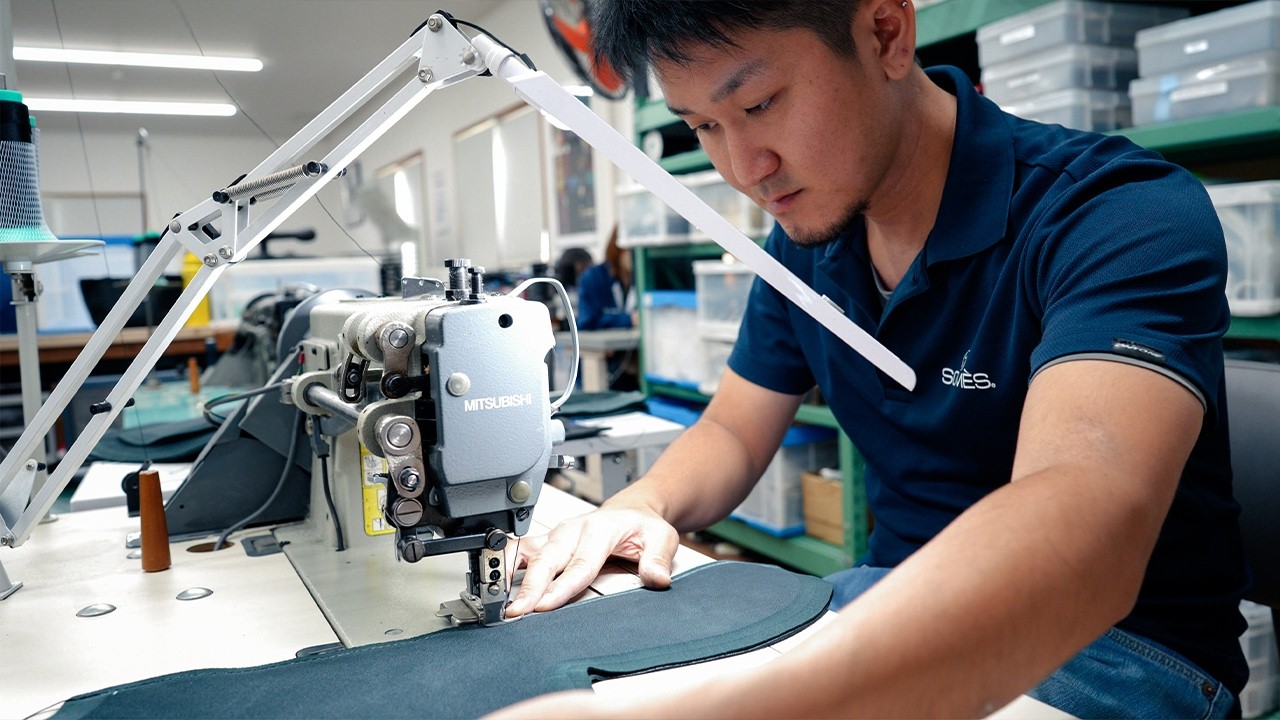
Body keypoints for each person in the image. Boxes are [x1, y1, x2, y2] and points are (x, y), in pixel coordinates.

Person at [495, 1, 1249, 718]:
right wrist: (643, 504)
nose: (746, 167)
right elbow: (731, 431)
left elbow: (1087, 522)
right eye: (703, 128)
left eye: (759, 105)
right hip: (881, 598)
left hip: (1121, 654)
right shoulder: (804, 251)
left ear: (886, 33)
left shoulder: (1114, 213)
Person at [575, 226, 636, 331]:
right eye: (630, 249)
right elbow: (586, 322)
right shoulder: (593, 278)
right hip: (604, 347)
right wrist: (629, 319)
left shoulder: (644, 278)